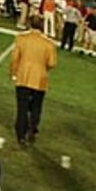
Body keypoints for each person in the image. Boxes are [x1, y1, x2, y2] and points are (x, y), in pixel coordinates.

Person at [11, 13, 57, 146]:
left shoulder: (21, 38)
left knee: (22, 107)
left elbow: (15, 58)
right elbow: (52, 63)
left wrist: (14, 73)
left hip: (23, 76)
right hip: (40, 79)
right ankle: (32, 129)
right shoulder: (49, 43)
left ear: (30, 23)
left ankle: (21, 135)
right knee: (36, 106)